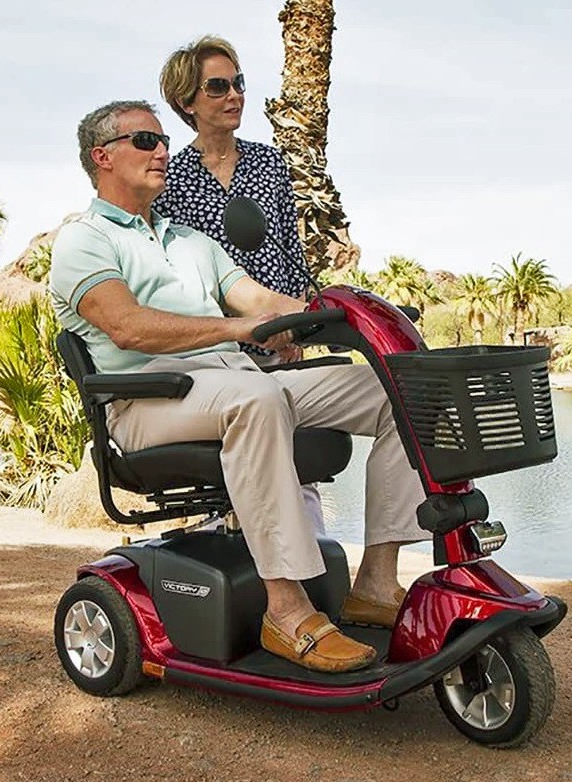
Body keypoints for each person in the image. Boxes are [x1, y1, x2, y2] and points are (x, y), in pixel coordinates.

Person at [49, 100, 430, 674]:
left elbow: (258, 301)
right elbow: (126, 325)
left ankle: (376, 581)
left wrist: (335, 313)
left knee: (393, 392)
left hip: (235, 380)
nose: (163, 151)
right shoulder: (84, 240)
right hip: (146, 401)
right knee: (259, 400)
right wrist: (236, 329)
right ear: (102, 157)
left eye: (163, 142)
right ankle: (286, 608)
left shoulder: (188, 241)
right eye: (146, 141)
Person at [155, 35, 325, 534]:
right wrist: (228, 332)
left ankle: (314, 567)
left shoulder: (269, 162)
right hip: (217, 348)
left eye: (239, 83)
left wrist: (298, 325)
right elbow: (177, 275)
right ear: (187, 100)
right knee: (234, 465)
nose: (235, 96)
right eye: (218, 86)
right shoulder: (173, 177)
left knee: (299, 457)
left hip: (282, 334)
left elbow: (289, 251)